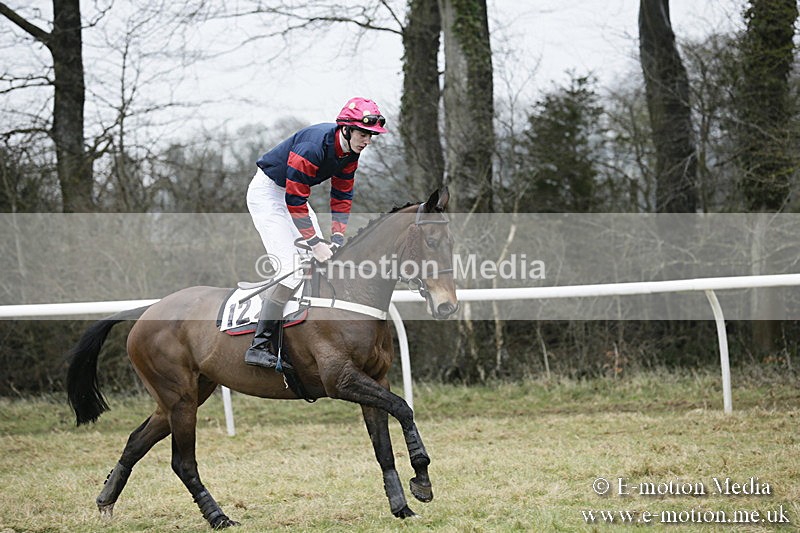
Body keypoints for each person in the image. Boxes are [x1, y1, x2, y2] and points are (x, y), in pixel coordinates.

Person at [244, 97, 388, 369]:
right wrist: (314, 242)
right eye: (363, 134)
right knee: (291, 270)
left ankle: (305, 333)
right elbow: (294, 200)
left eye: (371, 135)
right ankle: (258, 345)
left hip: (292, 195)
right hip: (269, 194)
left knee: (319, 262)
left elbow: (342, 195)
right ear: (346, 129)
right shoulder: (312, 147)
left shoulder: (351, 153)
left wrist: (336, 238)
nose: (367, 141)